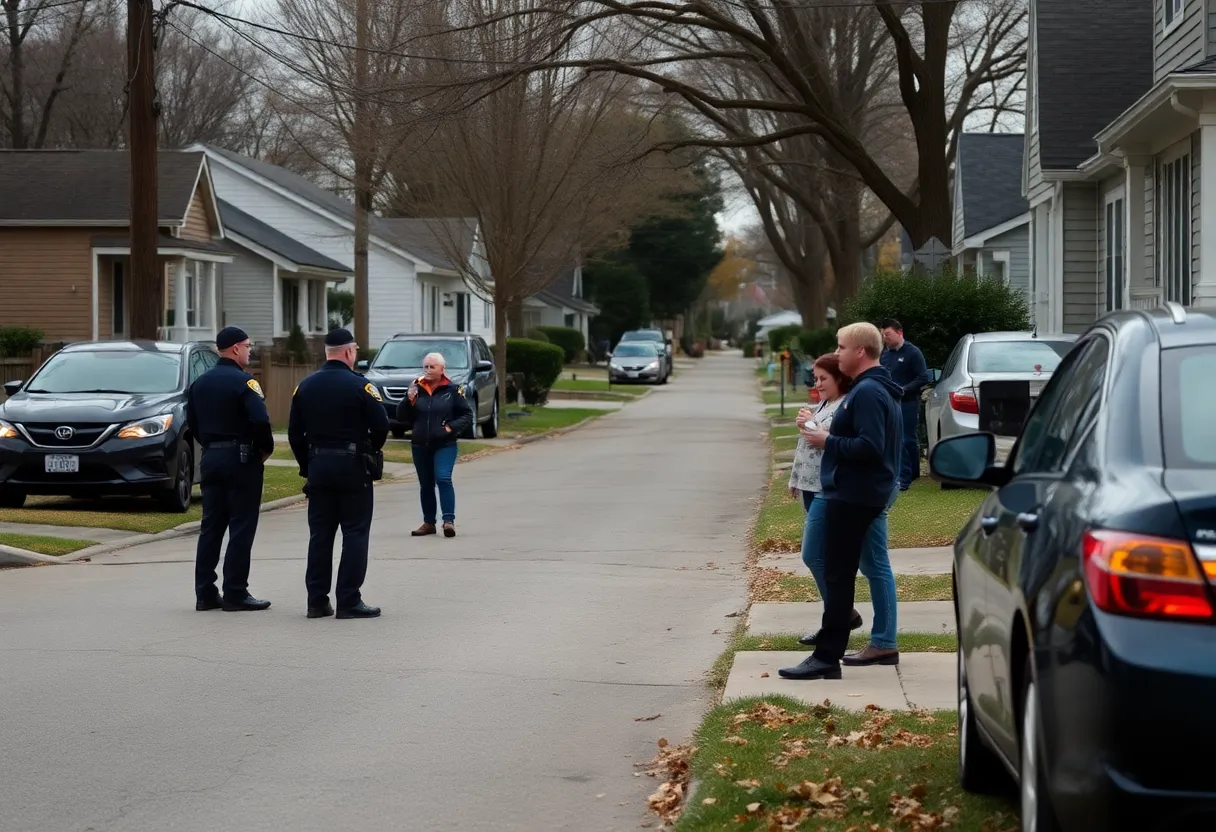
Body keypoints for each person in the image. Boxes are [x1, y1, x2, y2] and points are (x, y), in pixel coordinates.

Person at [778, 322, 902, 681]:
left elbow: (870, 447)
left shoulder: (867, 392)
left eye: (842, 347)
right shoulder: (874, 387)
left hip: (855, 494)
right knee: (839, 574)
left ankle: (827, 657)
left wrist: (826, 441)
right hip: (855, 492)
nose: (839, 352)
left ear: (860, 351)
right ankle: (829, 655)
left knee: (838, 575)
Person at [288, 328, 389, 619]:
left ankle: (316, 601)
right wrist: (370, 450)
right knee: (355, 533)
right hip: (353, 467)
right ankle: (348, 600)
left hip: (318, 468)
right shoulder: (361, 386)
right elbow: (381, 425)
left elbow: (295, 433)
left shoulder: (305, 386)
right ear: (348, 352)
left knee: (320, 535)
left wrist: (307, 465)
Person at [187, 326, 274, 612]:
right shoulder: (244, 383)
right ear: (236, 348)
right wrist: (264, 450)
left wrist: (212, 446)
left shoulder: (200, 383)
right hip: (241, 460)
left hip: (211, 459)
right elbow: (261, 420)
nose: (251, 351)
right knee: (241, 526)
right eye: (248, 346)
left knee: (211, 527)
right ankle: (235, 592)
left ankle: (205, 593)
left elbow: (194, 423)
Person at [398, 352, 474, 538]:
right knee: (426, 484)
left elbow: (467, 415)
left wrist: (449, 429)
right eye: (426, 367)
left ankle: (448, 521)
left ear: (442, 369)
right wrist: (408, 400)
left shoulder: (452, 390)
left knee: (443, 478)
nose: (428, 370)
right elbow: (402, 417)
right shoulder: (416, 388)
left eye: (432, 367)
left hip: (444, 444)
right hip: (420, 444)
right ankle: (428, 522)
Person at [879, 318, 929, 491]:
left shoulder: (912, 352)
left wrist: (904, 389)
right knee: (895, 439)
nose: (885, 338)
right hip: (889, 402)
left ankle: (911, 473)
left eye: (888, 334)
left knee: (907, 439)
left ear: (899, 333)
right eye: (883, 335)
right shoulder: (884, 355)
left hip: (907, 402)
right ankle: (903, 477)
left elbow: (923, 377)